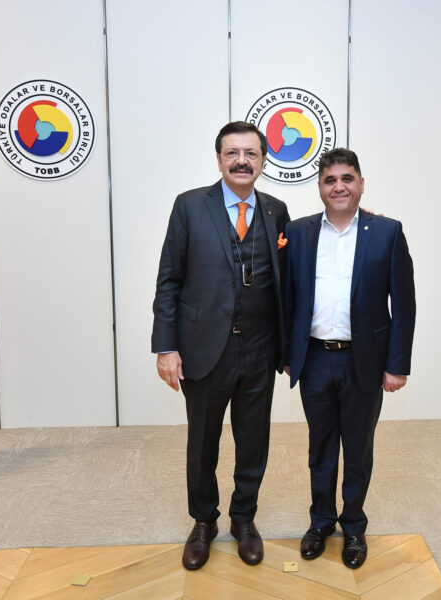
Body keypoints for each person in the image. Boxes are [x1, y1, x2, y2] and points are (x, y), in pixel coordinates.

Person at [151, 121, 289, 570]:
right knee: (202, 443)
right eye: (232, 153)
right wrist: (166, 346)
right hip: (203, 348)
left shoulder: (277, 211)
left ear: (263, 161)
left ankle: (244, 519)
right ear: (219, 159)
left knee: (253, 441)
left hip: (261, 349)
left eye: (250, 153)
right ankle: (204, 521)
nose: (241, 161)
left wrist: (363, 222)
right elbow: (169, 280)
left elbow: (294, 273)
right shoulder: (190, 206)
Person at [283, 148, 415, 569]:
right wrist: (288, 353)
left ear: (360, 184)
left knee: (357, 450)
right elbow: (286, 298)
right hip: (315, 360)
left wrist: (397, 365)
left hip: (365, 361)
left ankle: (354, 526)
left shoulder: (387, 232)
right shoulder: (298, 232)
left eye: (346, 178)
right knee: (320, 448)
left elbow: (404, 304)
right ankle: (321, 522)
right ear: (319, 187)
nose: (338, 186)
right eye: (330, 180)